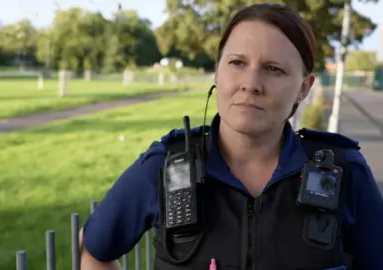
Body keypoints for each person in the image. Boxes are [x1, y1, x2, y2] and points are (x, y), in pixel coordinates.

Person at [79, 3, 383, 270]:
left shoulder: (345, 174)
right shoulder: (164, 167)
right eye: (237, 63)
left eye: (274, 69)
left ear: (304, 88)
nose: (251, 84)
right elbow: (94, 249)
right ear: (217, 72)